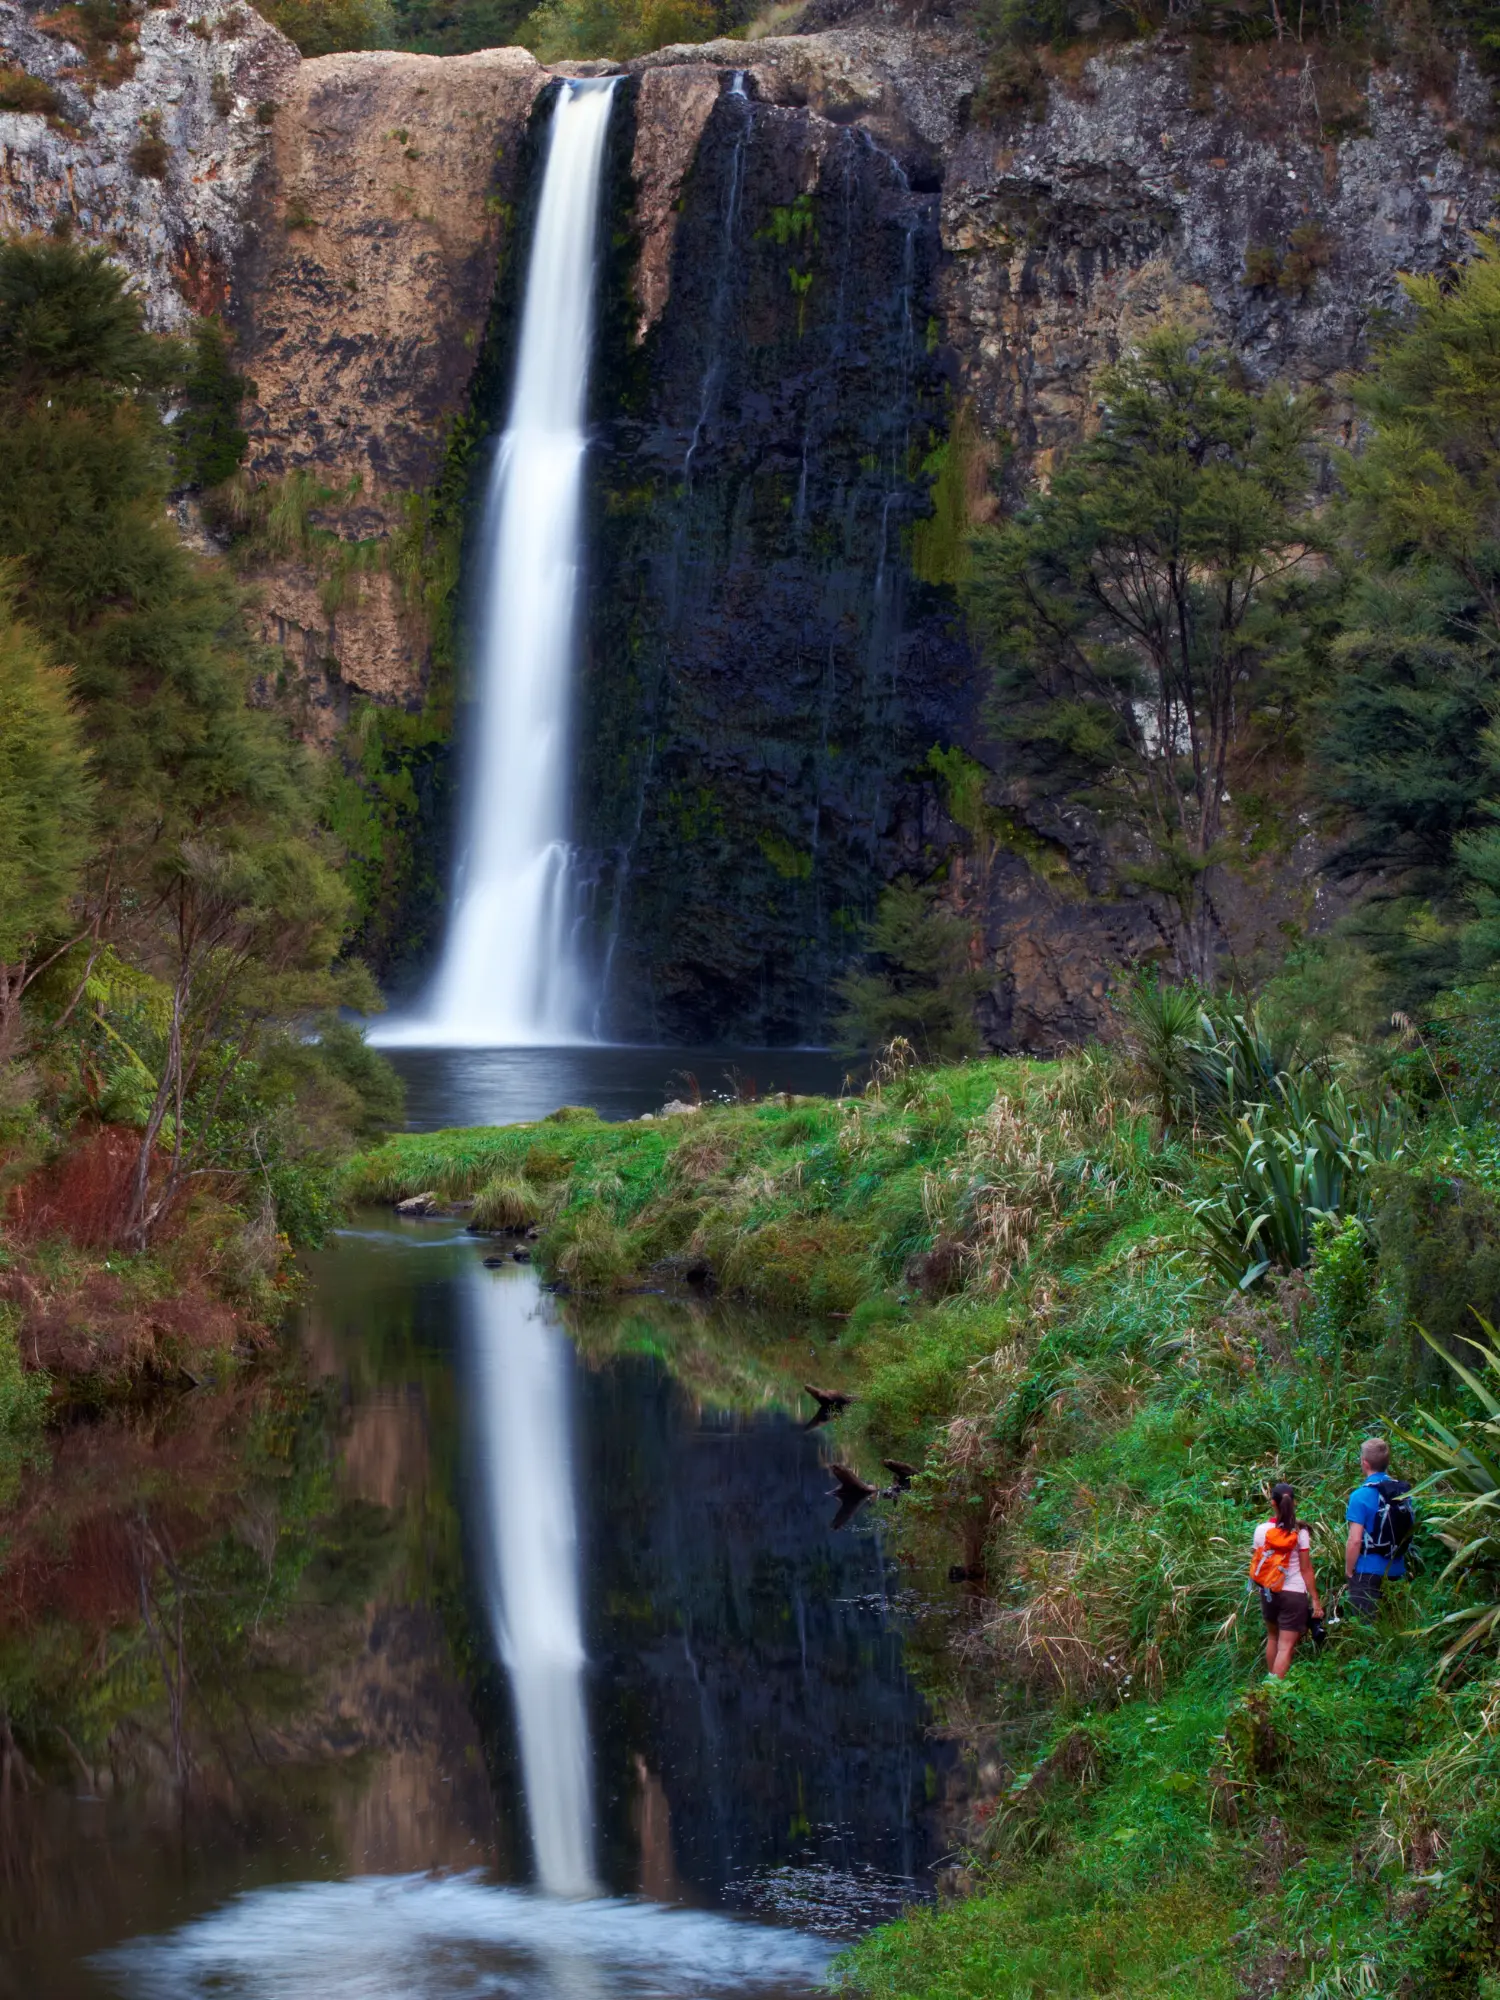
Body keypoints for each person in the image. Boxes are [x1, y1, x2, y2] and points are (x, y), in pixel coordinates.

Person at [1251, 1482, 1325, 1678]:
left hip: (1268, 1593)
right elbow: (1306, 1568)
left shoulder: (1261, 1530)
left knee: (1273, 1637)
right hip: (1293, 1593)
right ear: (1295, 1502)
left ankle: (1267, 1691)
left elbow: (1256, 1560)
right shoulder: (1300, 1531)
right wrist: (1315, 1599)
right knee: (1285, 1648)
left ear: (1272, 1503)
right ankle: (1271, 1694)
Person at [1345, 1436, 1415, 1617]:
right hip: (1397, 1570)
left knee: (1367, 1631)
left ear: (1365, 1463)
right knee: (1396, 1627)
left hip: (1368, 1572)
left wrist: (1348, 1570)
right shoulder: (1404, 1493)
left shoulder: (1360, 1496)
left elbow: (1354, 1540)